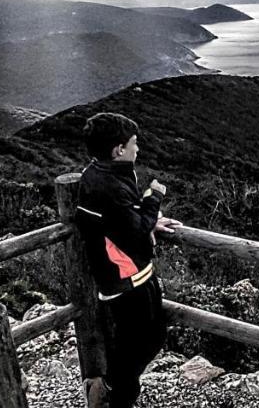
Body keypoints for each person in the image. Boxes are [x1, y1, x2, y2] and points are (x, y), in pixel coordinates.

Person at [76, 112, 182, 407]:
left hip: (124, 278)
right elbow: (134, 231)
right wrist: (154, 197)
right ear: (118, 150)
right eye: (134, 144)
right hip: (127, 283)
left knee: (142, 340)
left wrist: (148, 220)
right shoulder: (110, 185)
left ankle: (112, 388)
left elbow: (121, 222)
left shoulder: (96, 174)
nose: (138, 149)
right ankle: (112, 392)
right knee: (142, 343)